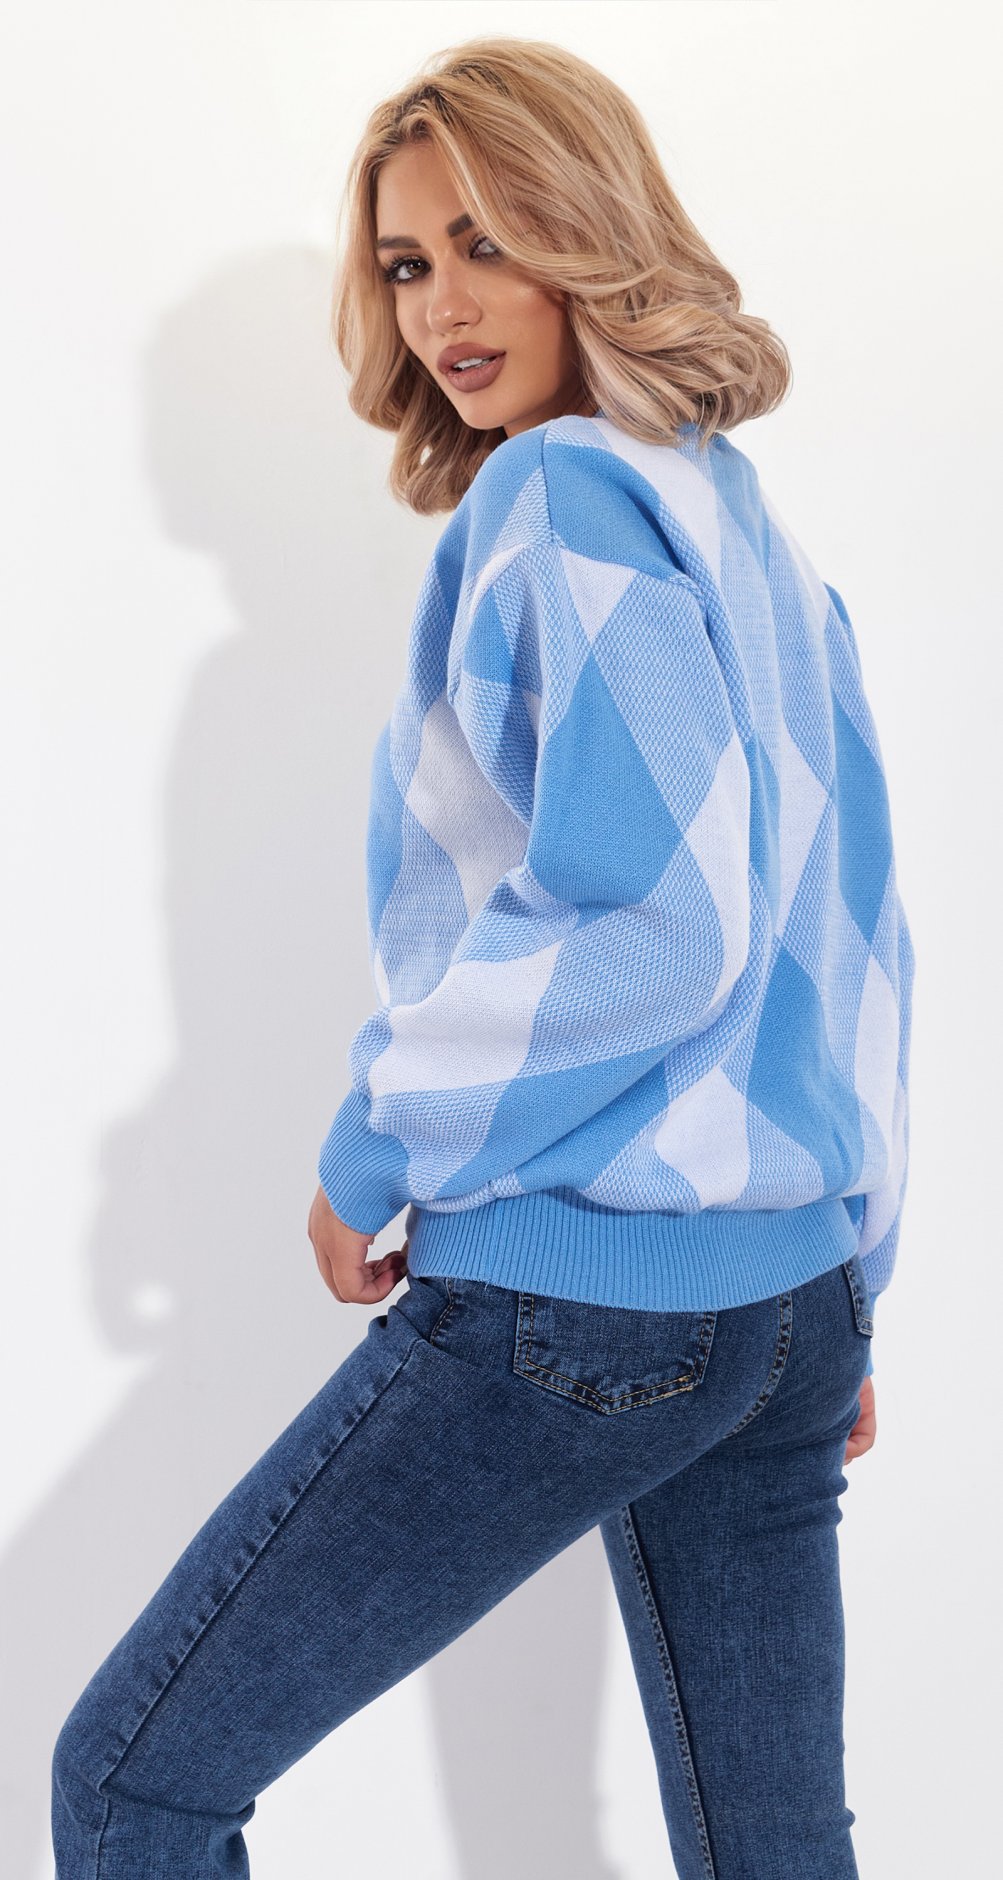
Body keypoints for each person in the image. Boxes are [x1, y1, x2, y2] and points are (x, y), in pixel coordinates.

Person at [51, 35, 914, 1879]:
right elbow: (855, 932)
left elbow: (666, 920)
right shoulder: (745, 526)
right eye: (405, 263)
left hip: (587, 1292)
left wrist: (378, 1139)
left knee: (131, 1782)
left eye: (487, 242)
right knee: (777, 1854)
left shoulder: (562, 502)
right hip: (781, 1302)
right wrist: (853, 1270)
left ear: (591, 233)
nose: (443, 306)